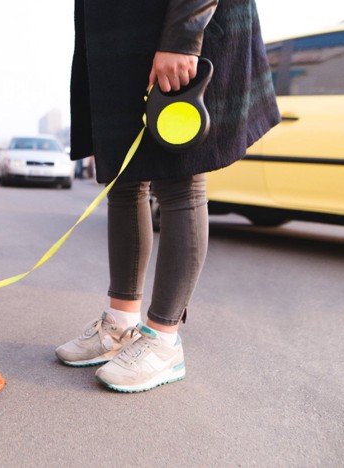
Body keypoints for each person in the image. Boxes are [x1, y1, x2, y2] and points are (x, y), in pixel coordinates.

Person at [55, 0, 281, 392]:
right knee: (124, 181)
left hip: (173, 30)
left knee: (180, 180)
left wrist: (183, 37)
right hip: (118, 37)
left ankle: (162, 341)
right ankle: (120, 326)